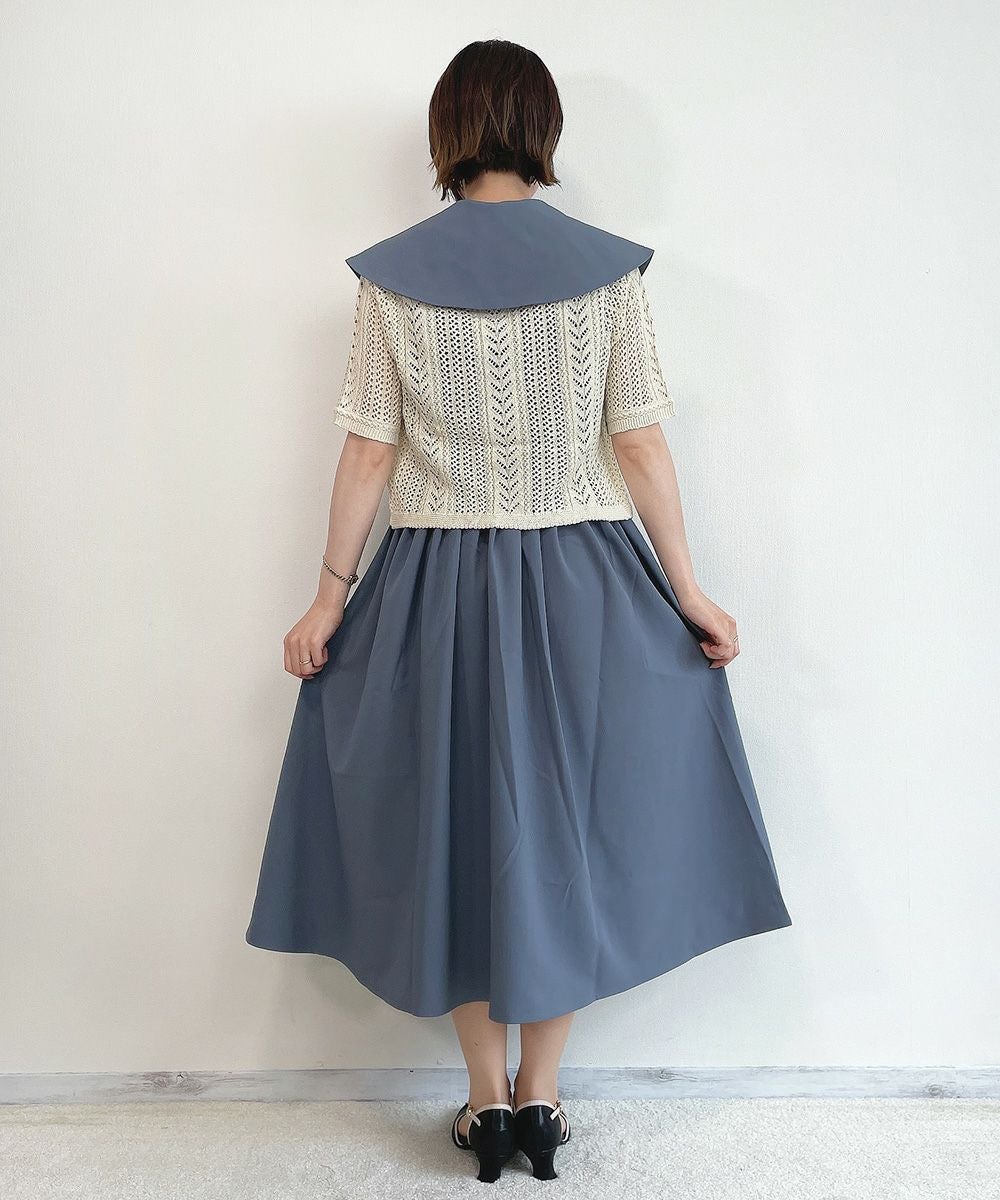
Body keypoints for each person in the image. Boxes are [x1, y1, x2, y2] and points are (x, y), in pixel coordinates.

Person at [245, 38, 792, 1183]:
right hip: (583, 583)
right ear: (543, 129)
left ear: (447, 132)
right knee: (564, 832)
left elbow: (367, 452)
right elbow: (638, 442)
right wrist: (687, 591)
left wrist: (326, 598)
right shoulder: (608, 273)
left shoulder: (391, 279)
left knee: (457, 829)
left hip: (433, 587)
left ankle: (484, 1102)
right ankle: (541, 1097)